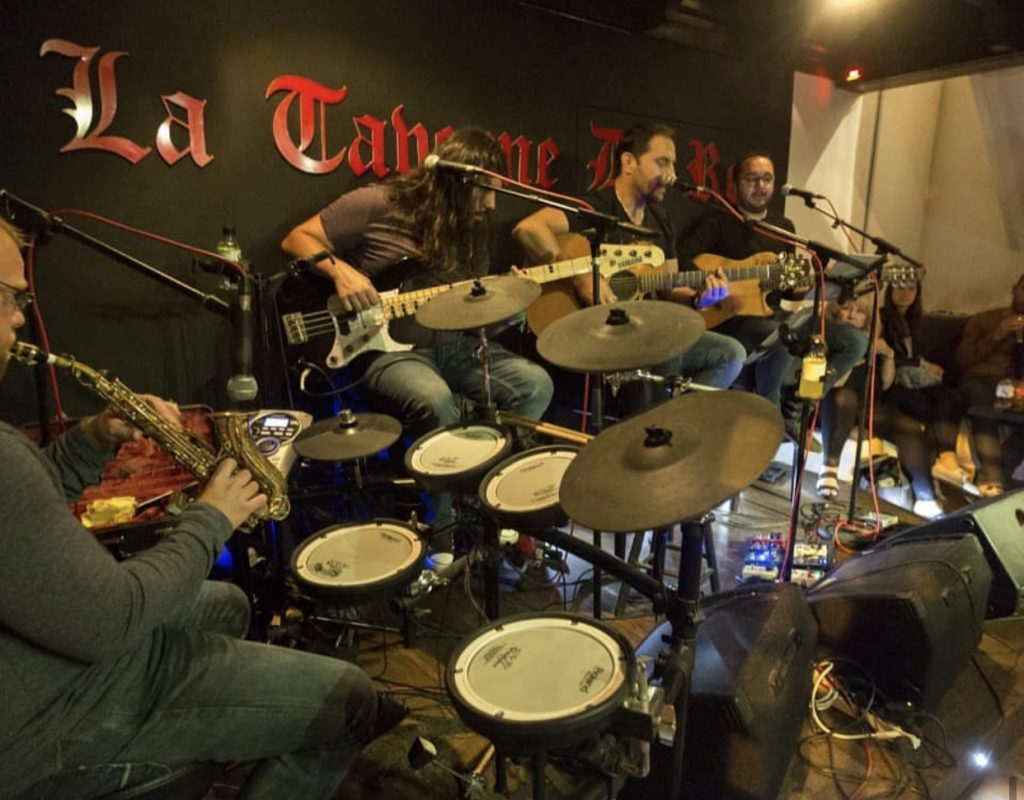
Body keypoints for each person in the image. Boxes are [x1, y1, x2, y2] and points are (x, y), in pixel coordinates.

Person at [0, 218, 384, 800]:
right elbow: (113, 620)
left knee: (226, 603)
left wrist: (90, 440)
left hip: (39, 665)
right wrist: (212, 516)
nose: (22, 316)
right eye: (11, 297)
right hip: (49, 720)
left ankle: (220, 740)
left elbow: (24, 512)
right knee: (351, 702)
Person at [512, 120, 746, 394]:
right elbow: (529, 229)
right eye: (662, 163)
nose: (672, 174)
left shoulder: (661, 220)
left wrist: (698, 299)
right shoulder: (596, 208)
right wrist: (583, 280)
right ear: (628, 162)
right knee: (665, 347)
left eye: (673, 164)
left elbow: (668, 288)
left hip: (645, 332)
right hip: (599, 336)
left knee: (730, 353)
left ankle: (675, 419)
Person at [677, 151, 868, 414]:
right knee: (780, 333)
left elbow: (789, 288)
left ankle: (800, 402)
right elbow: (681, 260)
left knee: (854, 341)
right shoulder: (718, 220)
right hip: (730, 318)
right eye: (752, 179)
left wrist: (816, 286)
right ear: (736, 185)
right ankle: (771, 414)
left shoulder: (783, 227)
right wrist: (717, 291)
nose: (761, 186)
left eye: (767, 179)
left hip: (772, 314)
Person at [815, 294, 950, 519]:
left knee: (911, 429)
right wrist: (855, 353)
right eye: (847, 309)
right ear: (836, 313)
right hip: (832, 406)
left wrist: (888, 356)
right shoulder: (829, 341)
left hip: (869, 407)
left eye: (858, 312)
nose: (851, 315)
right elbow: (833, 383)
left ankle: (926, 498)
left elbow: (885, 384)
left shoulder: (871, 342)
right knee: (844, 397)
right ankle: (829, 468)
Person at [956, 272, 1024, 496]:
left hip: (1016, 386)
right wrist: (999, 333)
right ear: (1015, 289)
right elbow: (964, 359)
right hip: (981, 379)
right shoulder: (984, 320)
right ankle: (994, 480)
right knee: (983, 409)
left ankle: (1001, 473)